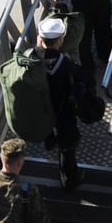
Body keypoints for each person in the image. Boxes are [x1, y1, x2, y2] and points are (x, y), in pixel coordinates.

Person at [35, 17, 88, 191]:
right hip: (63, 113)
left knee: (50, 131)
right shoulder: (66, 64)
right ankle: (69, 178)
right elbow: (88, 81)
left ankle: (49, 142)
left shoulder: (31, 57)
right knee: (67, 147)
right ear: (60, 40)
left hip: (42, 109)